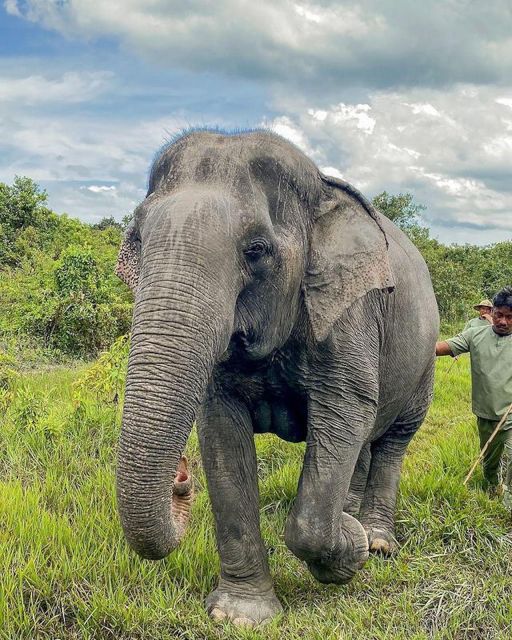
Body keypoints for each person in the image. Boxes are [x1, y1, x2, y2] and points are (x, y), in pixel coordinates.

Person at [436, 287, 512, 505]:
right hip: (486, 412)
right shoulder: (475, 335)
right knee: (490, 463)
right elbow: (442, 347)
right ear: (491, 312)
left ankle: (508, 501)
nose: (503, 322)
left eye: (509, 317)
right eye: (499, 315)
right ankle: (492, 486)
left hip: (510, 413)